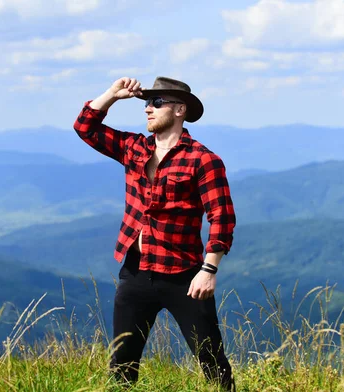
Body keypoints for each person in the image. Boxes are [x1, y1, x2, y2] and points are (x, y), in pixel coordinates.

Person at [74, 76, 236, 391]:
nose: (148, 108)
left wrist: (209, 269)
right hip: (135, 272)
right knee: (122, 367)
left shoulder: (203, 160)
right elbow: (85, 127)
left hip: (185, 277)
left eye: (156, 102)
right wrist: (112, 94)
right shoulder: (134, 148)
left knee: (213, 363)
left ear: (179, 109)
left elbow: (222, 216)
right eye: (147, 102)